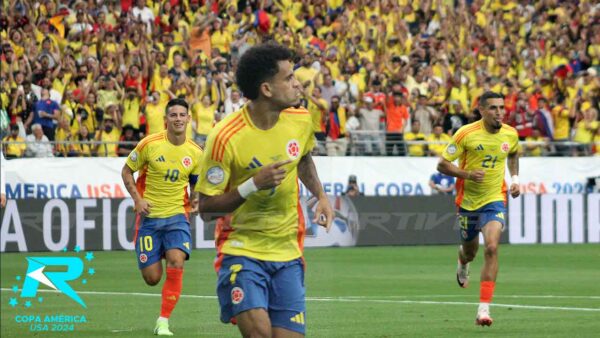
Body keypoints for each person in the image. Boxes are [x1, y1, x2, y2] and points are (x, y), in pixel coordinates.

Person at [196, 43, 334, 338]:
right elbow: (206, 209)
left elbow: (304, 159)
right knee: (259, 334)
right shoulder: (225, 136)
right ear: (267, 89)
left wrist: (320, 195)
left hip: (288, 253)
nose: (298, 83)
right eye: (289, 77)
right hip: (241, 250)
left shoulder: (301, 119)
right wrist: (252, 185)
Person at [437, 91, 520, 326]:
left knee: (492, 247)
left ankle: (483, 309)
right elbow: (442, 164)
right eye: (493, 108)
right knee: (470, 251)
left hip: (495, 198)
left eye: (502, 107)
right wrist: (467, 174)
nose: (499, 112)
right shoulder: (466, 134)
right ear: (481, 110)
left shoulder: (510, 134)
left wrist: (514, 179)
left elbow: (513, 154)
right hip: (468, 203)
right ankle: (463, 262)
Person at [121, 98, 203, 336]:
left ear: (189, 119)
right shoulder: (149, 144)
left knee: (176, 261)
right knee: (152, 278)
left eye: (182, 115)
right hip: (149, 218)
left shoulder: (196, 152)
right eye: (173, 115)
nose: (178, 119)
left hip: (178, 216)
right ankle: (155, 258)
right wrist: (137, 199)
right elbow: (127, 170)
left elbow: (195, 183)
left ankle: (163, 321)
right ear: (166, 119)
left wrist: (196, 200)